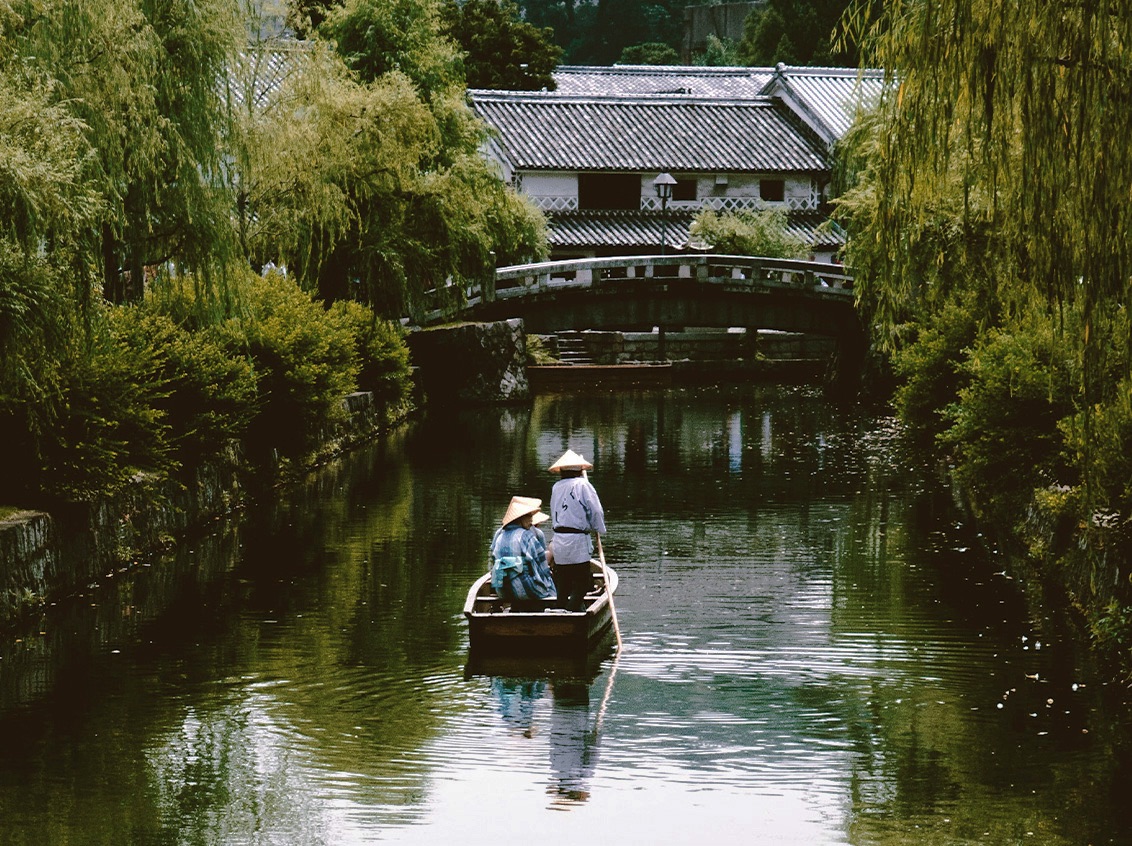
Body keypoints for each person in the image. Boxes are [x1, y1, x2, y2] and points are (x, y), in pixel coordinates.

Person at [547, 450, 606, 612]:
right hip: (577, 540)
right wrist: (598, 528)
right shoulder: (583, 485)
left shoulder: (556, 487)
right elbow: (596, 511)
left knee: (563, 582)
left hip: (559, 539)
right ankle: (571, 613)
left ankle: (559, 609)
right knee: (582, 583)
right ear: (580, 471)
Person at [490, 495, 557, 611]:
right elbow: (542, 567)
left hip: (502, 591)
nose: (532, 520)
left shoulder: (500, 535)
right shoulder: (526, 536)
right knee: (549, 585)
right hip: (525, 590)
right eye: (529, 516)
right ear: (520, 518)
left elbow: (492, 562)